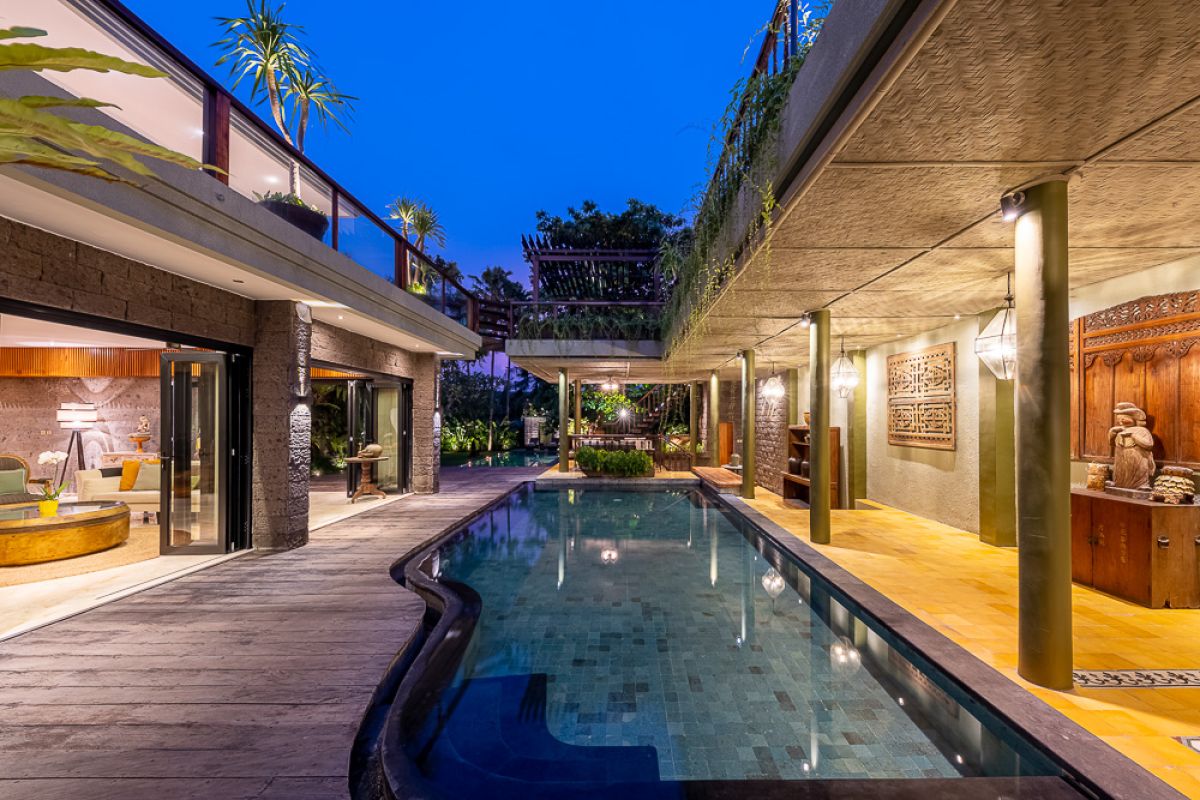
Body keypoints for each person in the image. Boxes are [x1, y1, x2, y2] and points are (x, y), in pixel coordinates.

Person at [1109, 402, 1155, 489]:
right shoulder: (1120, 430)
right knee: (1121, 471)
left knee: (1138, 471)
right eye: (1119, 419)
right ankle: (1118, 483)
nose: (1121, 421)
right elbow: (1112, 444)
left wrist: (1134, 436)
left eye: (1124, 419)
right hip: (1121, 457)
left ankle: (1141, 484)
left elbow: (1149, 445)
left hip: (1137, 457)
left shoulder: (1142, 430)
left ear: (1134, 419)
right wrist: (1112, 433)